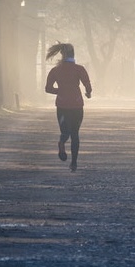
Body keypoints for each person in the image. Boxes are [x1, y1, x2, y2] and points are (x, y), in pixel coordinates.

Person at [44, 42, 92, 172]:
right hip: (77, 105)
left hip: (62, 105)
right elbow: (87, 85)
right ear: (73, 54)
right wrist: (88, 93)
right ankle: (74, 163)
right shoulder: (79, 69)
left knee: (65, 132)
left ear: (61, 54)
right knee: (75, 134)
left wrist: (59, 91)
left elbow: (48, 88)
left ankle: (61, 143)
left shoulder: (55, 70)